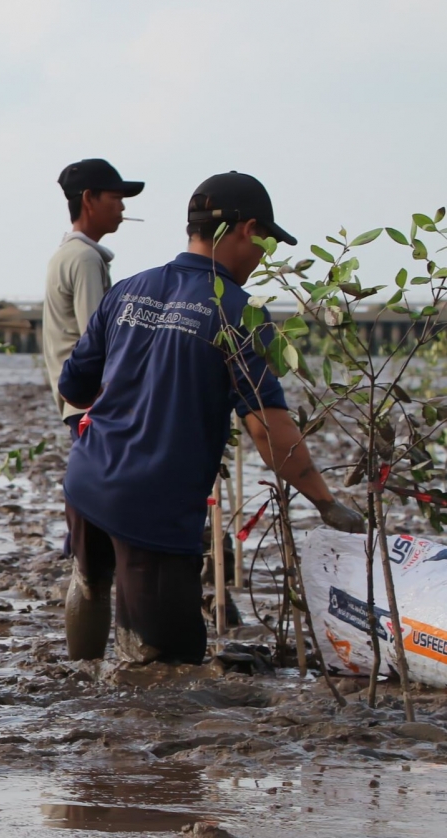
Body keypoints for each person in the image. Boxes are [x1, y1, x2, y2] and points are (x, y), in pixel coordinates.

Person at [58, 172, 365, 664]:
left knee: (90, 582)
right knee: (169, 663)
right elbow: (267, 427)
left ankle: (81, 689)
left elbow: (73, 384)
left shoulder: (129, 290)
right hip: (153, 504)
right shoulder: (238, 314)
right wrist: (325, 502)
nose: (265, 255)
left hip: (88, 478)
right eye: (266, 241)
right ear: (246, 230)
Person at [44, 158, 144, 435]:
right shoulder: (85, 259)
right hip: (90, 404)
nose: (122, 207)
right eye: (116, 198)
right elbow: (96, 338)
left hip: (75, 401)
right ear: (89, 199)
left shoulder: (66, 254)